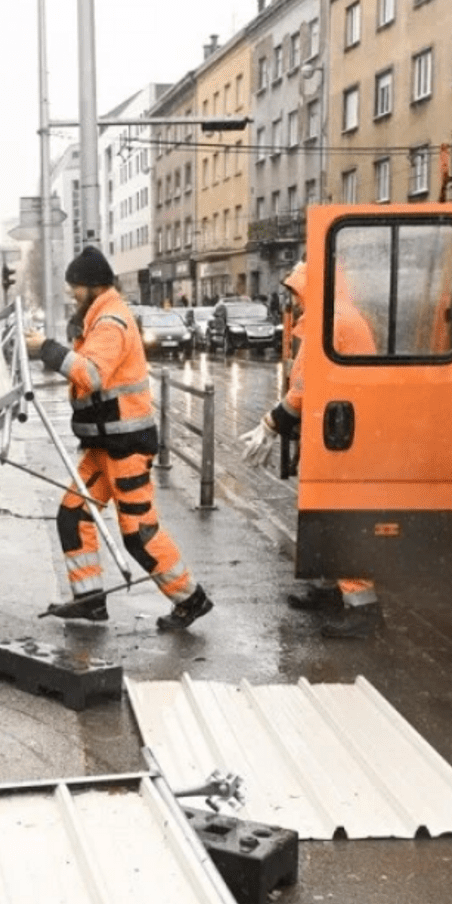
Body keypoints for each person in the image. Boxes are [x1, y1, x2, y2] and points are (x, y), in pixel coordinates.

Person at [37, 245, 214, 631]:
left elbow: (90, 374)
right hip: (105, 444)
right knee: (73, 516)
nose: (72, 294)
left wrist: (46, 350)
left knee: (139, 533)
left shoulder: (110, 321)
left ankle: (191, 599)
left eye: (75, 287)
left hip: (126, 446)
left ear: (92, 286)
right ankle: (90, 601)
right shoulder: (99, 317)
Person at [241, 262, 383, 638]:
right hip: (339, 429)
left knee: (340, 517)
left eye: (297, 293)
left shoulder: (332, 320)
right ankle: (327, 589)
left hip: (342, 433)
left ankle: (363, 610)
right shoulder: (337, 315)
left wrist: (270, 424)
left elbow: (305, 387)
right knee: (324, 511)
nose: (295, 302)